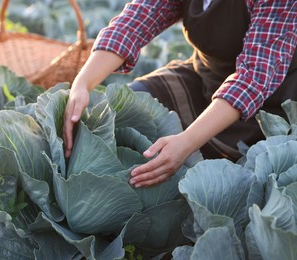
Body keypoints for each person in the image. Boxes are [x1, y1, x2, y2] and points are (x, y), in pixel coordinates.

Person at [63, 0, 297, 188]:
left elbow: (253, 78)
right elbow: (136, 20)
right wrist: (82, 83)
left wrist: (187, 142)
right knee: (129, 106)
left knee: (205, 170)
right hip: (204, 78)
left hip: (263, 109)